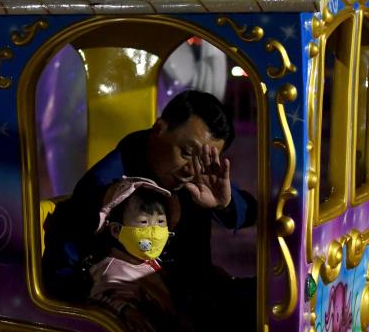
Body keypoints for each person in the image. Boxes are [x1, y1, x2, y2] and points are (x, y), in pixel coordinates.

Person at [42, 89, 255, 302]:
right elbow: (64, 272)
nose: (191, 170)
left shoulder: (196, 176)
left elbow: (253, 211)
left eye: (203, 161)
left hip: (195, 297)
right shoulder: (106, 185)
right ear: (159, 128)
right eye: (187, 153)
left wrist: (224, 203)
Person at [87, 177, 195, 332]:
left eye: (160, 222)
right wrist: (125, 310)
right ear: (116, 230)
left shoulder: (148, 260)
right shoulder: (111, 269)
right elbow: (98, 299)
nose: (155, 231)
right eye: (144, 222)